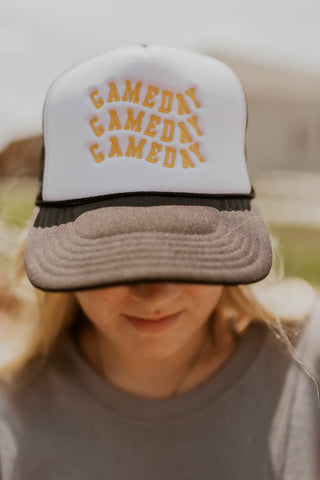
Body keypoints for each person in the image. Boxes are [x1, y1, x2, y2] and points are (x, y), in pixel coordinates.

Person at [0, 45, 319, 480]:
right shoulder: (12, 414)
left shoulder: (307, 371)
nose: (156, 294)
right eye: (116, 258)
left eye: (191, 251)